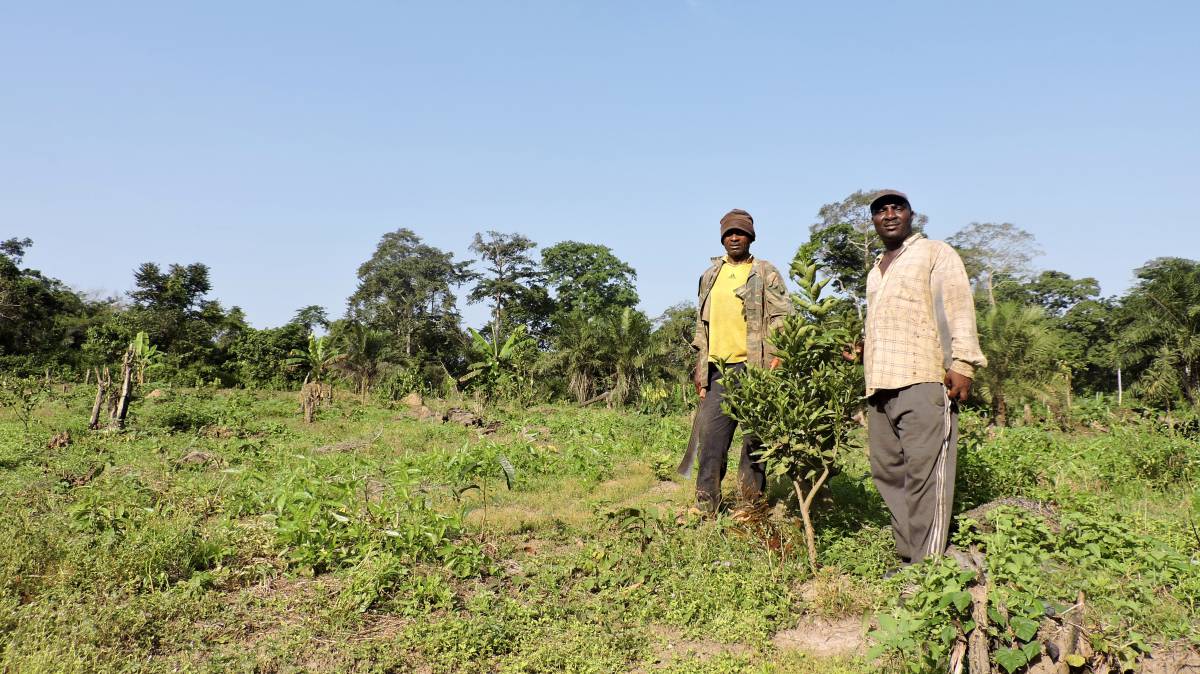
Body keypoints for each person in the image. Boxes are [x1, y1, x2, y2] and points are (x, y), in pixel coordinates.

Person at [863, 190, 986, 565]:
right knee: (888, 474)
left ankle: (928, 567)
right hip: (881, 385)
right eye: (880, 211)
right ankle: (909, 556)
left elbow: (958, 308)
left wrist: (962, 363)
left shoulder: (935, 253)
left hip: (924, 378)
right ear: (874, 221)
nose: (888, 215)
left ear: (911, 215)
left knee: (925, 475)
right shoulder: (876, 269)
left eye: (896, 208)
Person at [689, 208, 791, 516]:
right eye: (729, 233)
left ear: (750, 237)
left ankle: (750, 505)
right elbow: (701, 326)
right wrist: (700, 369)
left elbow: (782, 317)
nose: (735, 238)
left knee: (754, 439)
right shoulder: (710, 275)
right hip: (718, 368)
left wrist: (779, 356)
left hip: (754, 366)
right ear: (722, 238)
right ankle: (707, 505)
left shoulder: (764, 271)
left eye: (741, 233)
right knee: (711, 439)